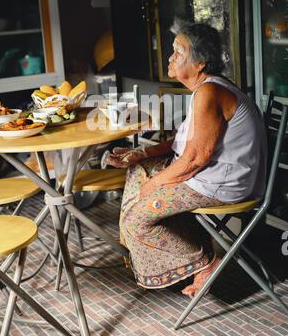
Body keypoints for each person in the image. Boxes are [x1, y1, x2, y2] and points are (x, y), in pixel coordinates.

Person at [106, 22, 267, 296]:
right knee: (138, 169)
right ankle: (137, 251)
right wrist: (142, 153)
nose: (170, 58)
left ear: (201, 63)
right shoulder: (206, 89)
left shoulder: (209, 92)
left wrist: (157, 183)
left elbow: (196, 157)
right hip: (211, 176)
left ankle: (205, 263)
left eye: (178, 53)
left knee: (136, 219)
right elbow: (185, 144)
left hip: (222, 185)